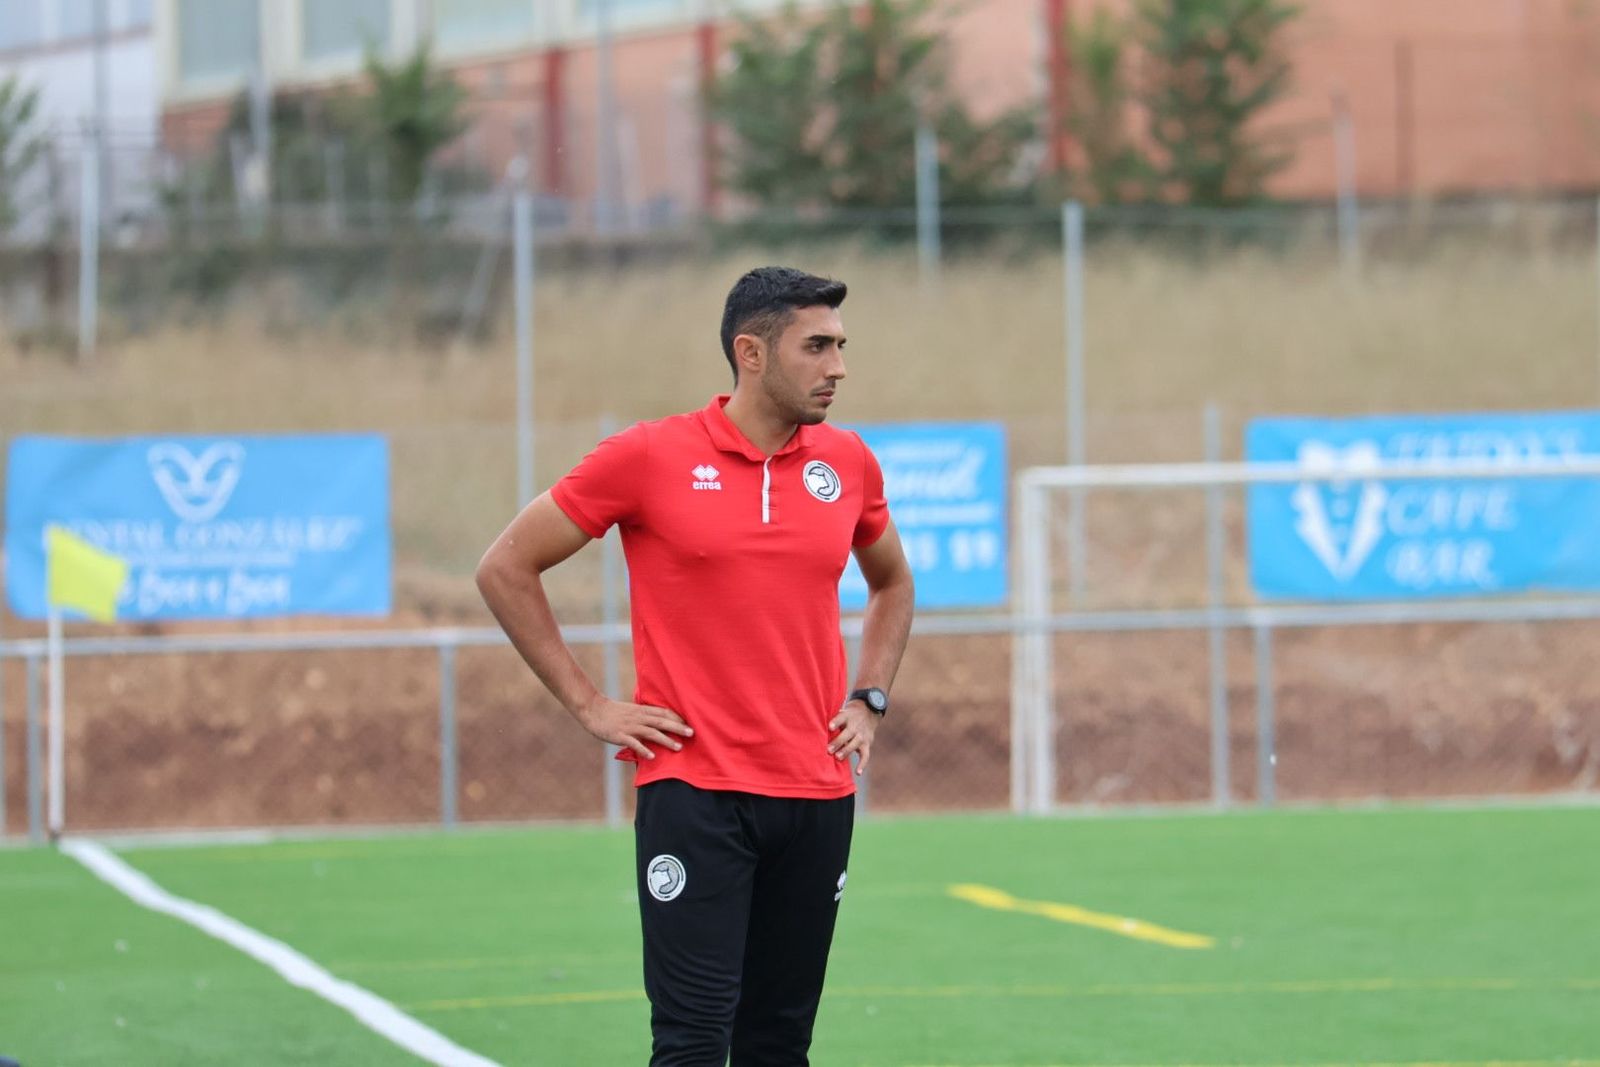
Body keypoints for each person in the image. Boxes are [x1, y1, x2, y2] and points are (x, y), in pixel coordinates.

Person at [476, 265, 915, 1066]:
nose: (839, 367)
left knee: (778, 1044)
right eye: (817, 346)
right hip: (696, 792)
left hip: (817, 793)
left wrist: (871, 696)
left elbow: (893, 582)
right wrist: (590, 704)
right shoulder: (648, 455)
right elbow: (505, 566)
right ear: (752, 352)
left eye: (841, 346)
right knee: (691, 1043)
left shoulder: (849, 461)